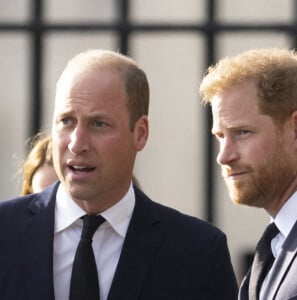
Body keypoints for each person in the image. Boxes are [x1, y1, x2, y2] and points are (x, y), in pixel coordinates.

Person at [0, 49, 237, 300]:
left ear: (140, 133)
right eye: (66, 121)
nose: (76, 144)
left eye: (98, 124)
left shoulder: (197, 252)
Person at [199, 48, 297, 300]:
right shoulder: (275, 244)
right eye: (220, 136)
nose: (224, 156)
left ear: (296, 130)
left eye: (242, 132)